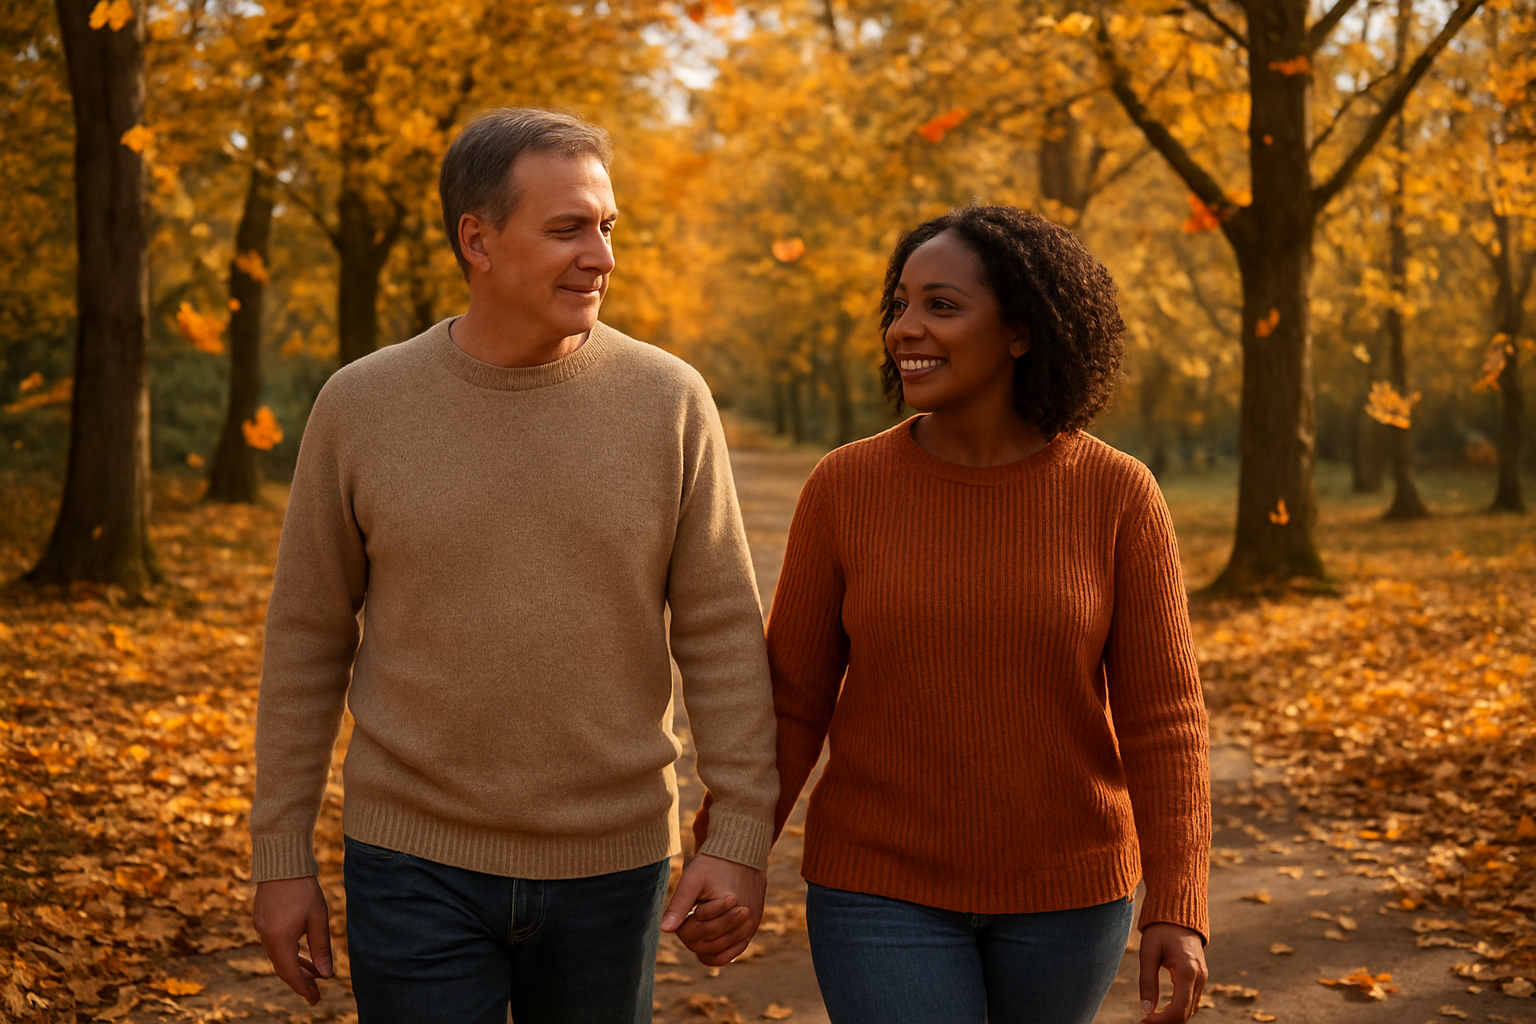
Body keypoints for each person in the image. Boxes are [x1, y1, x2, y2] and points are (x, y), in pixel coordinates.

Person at [248, 107, 777, 1024]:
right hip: (412, 859)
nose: (602, 255)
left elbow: (724, 634)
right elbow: (306, 639)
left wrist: (737, 837)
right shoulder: (361, 406)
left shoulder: (669, 402)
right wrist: (281, 853)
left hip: (612, 865)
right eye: (569, 227)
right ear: (477, 239)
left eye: (607, 228)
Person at [749, 205, 1211, 1024]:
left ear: (1023, 331)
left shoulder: (1118, 494)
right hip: (876, 886)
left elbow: (1164, 717)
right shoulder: (844, 488)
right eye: (898, 305)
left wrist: (1178, 899)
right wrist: (735, 852)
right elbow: (790, 700)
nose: (904, 328)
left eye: (941, 305)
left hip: (1068, 895)